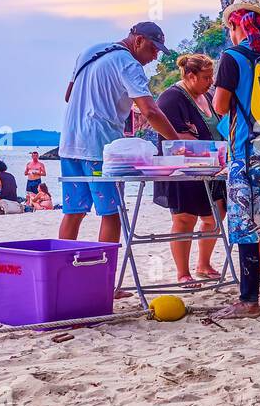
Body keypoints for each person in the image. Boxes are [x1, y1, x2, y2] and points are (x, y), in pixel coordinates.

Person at [59, 20, 181, 243]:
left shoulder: (90, 51)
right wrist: (178, 144)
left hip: (69, 143)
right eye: (152, 49)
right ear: (138, 40)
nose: (155, 56)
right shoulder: (129, 64)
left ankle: (63, 271)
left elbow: (69, 94)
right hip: (100, 148)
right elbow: (150, 112)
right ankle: (105, 272)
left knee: (74, 212)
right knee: (111, 213)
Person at [211, 0, 260, 317]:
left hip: (245, 150)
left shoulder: (232, 57)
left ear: (234, 25)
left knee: (245, 223)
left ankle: (248, 299)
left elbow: (219, 106)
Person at [153, 52, 225, 285]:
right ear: (190, 76)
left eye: (211, 77)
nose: (210, 82)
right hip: (182, 170)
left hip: (212, 168)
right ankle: (182, 272)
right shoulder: (171, 98)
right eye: (206, 77)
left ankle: (203, 263)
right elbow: (172, 138)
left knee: (215, 215)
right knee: (184, 219)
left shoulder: (208, 95)